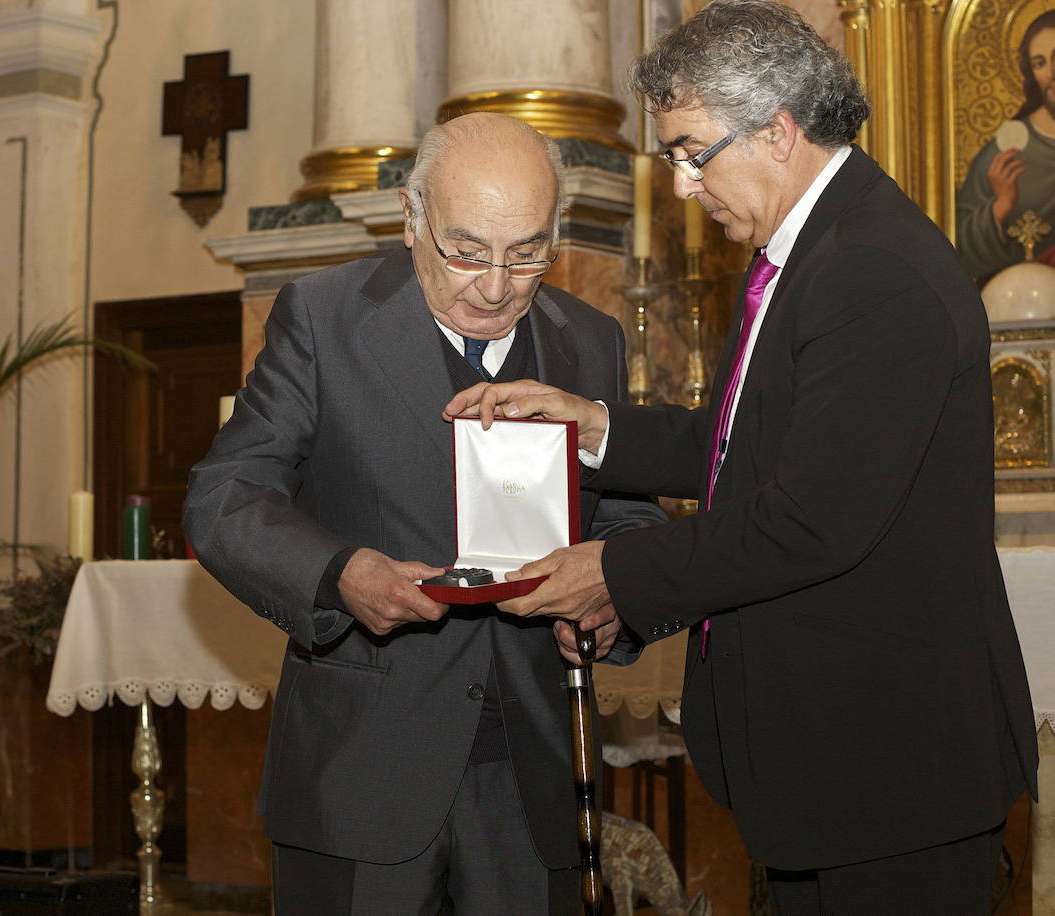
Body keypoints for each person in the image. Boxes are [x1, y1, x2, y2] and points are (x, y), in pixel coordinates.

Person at [445, 3, 1037, 913]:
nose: (683, 185)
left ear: (776, 129)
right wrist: (591, 423)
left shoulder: (869, 270)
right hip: (836, 761)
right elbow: (736, 446)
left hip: (889, 761)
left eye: (690, 150)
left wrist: (612, 570)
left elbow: (811, 518)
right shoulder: (809, 254)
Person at [184, 112, 664, 914]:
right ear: (412, 219)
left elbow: (627, 514)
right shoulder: (323, 319)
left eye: (528, 253)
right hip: (361, 771)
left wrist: (613, 592)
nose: (497, 285)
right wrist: (340, 575)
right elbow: (225, 498)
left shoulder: (591, 340)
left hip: (531, 776)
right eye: (467, 251)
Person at [956, 10, 1055, 282]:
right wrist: (1000, 205)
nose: (1052, 73)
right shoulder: (1004, 157)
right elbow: (957, 247)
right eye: (1039, 63)